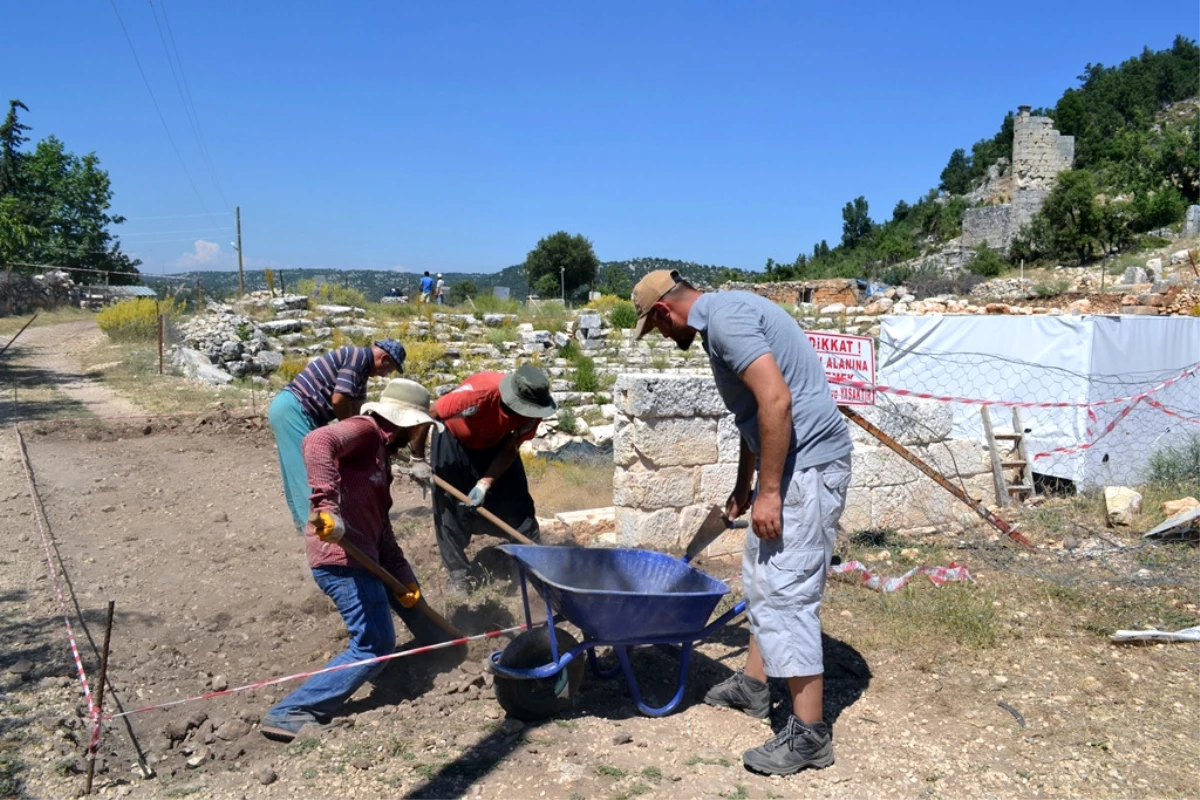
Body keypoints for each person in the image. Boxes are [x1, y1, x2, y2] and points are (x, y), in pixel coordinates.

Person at [631, 269, 853, 775]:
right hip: (789, 465)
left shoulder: (725, 321)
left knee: (788, 589)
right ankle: (755, 686)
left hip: (808, 468)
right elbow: (754, 416)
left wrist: (770, 492)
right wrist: (744, 489)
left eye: (658, 329)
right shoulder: (721, 320)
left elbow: (777, 401)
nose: (664, 339)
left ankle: (809, 734)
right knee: (760, 573)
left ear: (665, 310)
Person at [260, 379, 450, 742]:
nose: (418, 437)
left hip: (367, 556)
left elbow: (382, 532)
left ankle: (442, 649)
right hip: (341, 558)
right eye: (419, 428)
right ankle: (291, 712)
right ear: (407, 423)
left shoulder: (379, 455)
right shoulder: (365, 430)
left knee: (410, 603)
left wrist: (405, 580)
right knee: (375, 645)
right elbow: (317, 441)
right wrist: (327, 506)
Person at [409, 365, 556, 594]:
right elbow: (430, 414)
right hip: (453, 440)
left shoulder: (533, 413)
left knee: (519, 505)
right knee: (448, 508)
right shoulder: (478, 393)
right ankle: (458, 575)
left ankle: (535, 566)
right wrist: (417, 458)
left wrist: (484, 483)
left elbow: (510, 449)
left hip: (495, 446)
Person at [268, 339, 407, 531]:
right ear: (384, 359)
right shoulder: (357, 358)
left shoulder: (362, 374)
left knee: (307, 470)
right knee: (312, 473)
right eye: (389, 369)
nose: (385, 375)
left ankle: (311, 525)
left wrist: (370, 441)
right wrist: (348, 432)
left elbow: (357, 413)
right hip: (294, 409)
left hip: (297, 411)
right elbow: (339, 399)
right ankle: (318, 532)